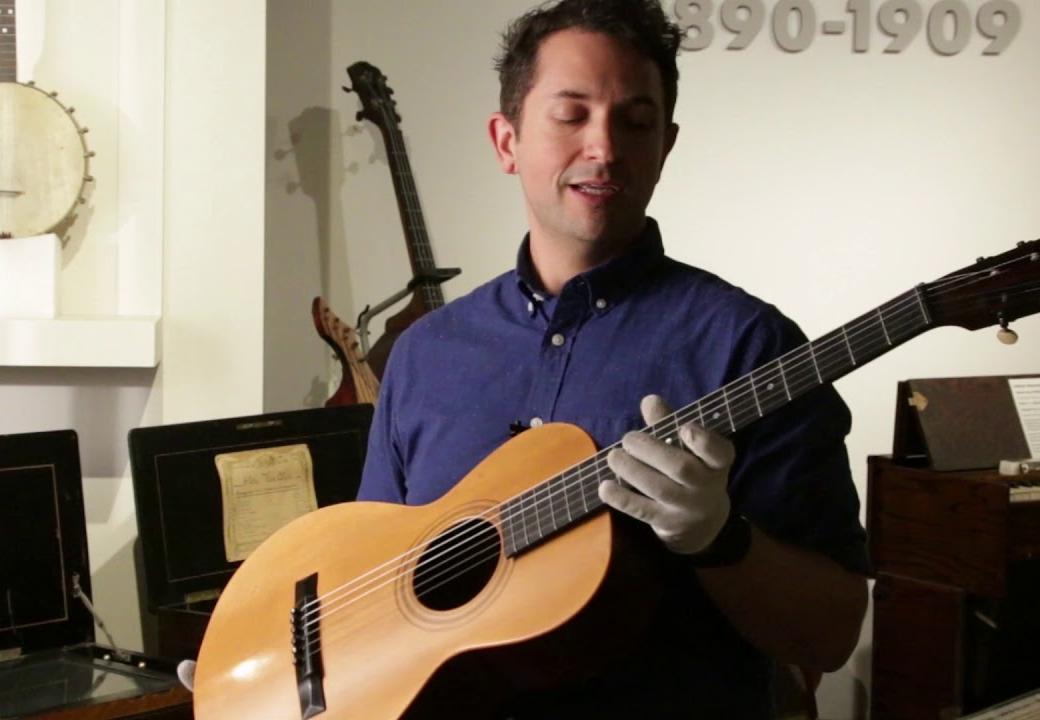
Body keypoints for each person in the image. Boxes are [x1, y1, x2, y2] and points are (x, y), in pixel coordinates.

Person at [356, 0, 871, 717]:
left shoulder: (751, 347)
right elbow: (371, 588)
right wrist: (270, 675)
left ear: (665, 144)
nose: (604, 148)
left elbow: (829, 634)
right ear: (506, 141)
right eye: (571, 115)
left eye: (635, 122)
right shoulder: (424, 354)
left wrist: (721, 540)